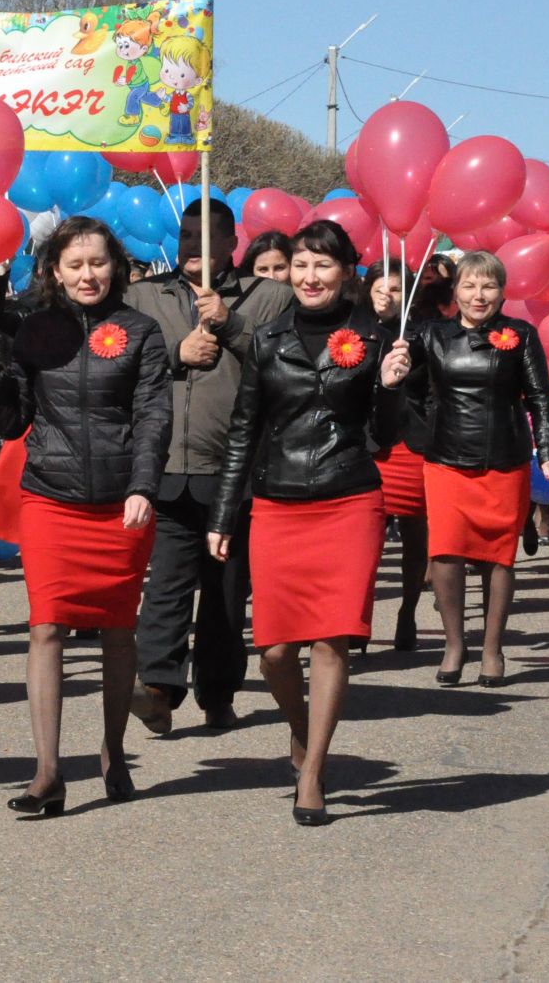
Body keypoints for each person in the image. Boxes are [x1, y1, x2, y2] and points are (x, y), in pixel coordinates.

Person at [0, 216, 169, 812]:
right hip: (50, 497)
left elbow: (154, 416)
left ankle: (113, 750)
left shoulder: (141, 331)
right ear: (54, 271)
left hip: (121, 505)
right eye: (75, 264)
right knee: (46, 627)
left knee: (116, 629)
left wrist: (143, 486)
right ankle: (48, 772)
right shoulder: (36, 331)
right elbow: (12, 421)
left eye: (98, 262)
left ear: (117, 265)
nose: (89, 275)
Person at [209, 220, 401, 826]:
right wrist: (223, 513)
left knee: (331, 637)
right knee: (271, 652)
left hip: (349, 499)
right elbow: (244, 429)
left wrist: (393, 386)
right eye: (299, 264)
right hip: (277, 501)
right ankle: (301, 727)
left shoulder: (374, 336)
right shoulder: (266, 340)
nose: (310, 276)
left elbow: (385, 436)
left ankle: (312, 771)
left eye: (323, 265)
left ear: (346, 272)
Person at [125, 197, 292, 734]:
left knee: (225, 591)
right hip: (170, 461)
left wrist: (232, 325)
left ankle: (218, 692)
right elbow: (125, 360)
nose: (192, 249)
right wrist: (179, 352)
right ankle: (157, 686)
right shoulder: (144, 296)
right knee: (167, 584)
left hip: (235, 470)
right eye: (185, 236)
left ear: (230, 243)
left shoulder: (271, 298)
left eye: (206, 238)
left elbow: (286, 364)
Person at [384, 252, 549, 687]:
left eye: (488, 287)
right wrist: (397, 371)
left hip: (505, 459)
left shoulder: (520, 334)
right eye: (469, 286)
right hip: (446, 460)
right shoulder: (431, 334)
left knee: (499, 556)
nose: (478, 296)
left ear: (502, 291)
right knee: (445, 552)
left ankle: (492, 648)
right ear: (455, 291)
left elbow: (541, 397)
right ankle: (454, 644)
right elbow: (408, 385)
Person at [365, 259, 432, 652]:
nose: (386, 297)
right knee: (366, 538)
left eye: (395, 290)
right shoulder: (355, 328)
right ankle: (359, 618)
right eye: (379, 288)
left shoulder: (425, 331)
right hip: (372, 444)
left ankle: (408, 610)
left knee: (414, 532)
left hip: (415, 442)